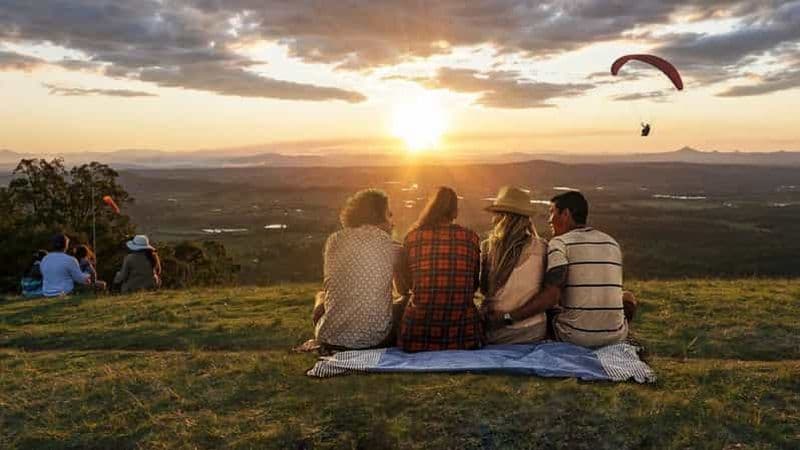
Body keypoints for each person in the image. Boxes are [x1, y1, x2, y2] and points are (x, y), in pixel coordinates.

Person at [486, 190, 637, 348]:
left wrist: (507, 318)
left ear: (565, 214)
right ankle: (611, 329)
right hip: (616, 337)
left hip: (575, 337)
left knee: (547, 309)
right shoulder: (611, 243)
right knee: (627, 296)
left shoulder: (559, 243)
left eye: (552, 213)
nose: (550, 220)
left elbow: (551, 296)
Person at [312, 189, 409, 350]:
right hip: (375, 340)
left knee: (321, 296)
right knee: (407, 300)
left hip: (329, 337)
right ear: (379, 216)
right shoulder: (391, 247)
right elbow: (403, 289)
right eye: (389, 215)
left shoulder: (334, 240)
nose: (393, 222)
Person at [397, 186, 483, 352]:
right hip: (464, 335)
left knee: (400, 305)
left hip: (418, 335)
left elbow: (407, 285)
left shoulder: (413, 237)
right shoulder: (471, 238)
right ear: (455, 212)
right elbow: (474, 284)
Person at [480, 186, 549, 344]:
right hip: (533, 331)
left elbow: (484, 289)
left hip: (495, 331)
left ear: (501, 217)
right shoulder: (543, 247)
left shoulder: (487, 247)